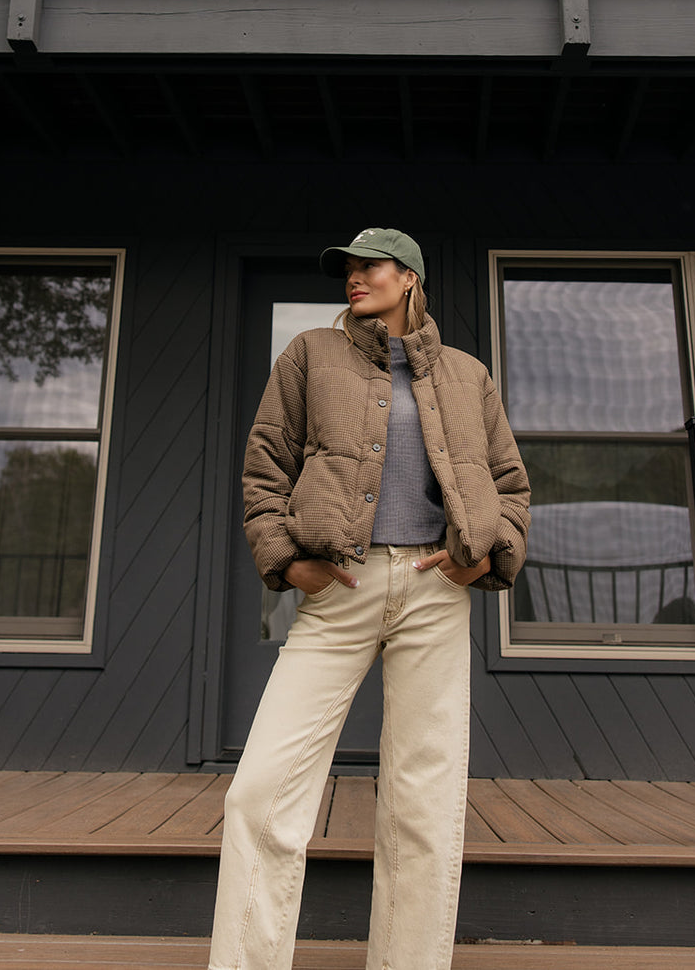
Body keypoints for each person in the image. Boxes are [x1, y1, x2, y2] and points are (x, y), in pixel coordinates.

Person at [208, 227, 531, 970]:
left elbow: (509, 484)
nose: (354, 278)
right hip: (339, 591)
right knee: (259, 792)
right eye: (348, 270)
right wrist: (287, 561)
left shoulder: (467, 375)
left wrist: (485, 555)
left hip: (435, 590)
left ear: (410, 277)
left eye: (370, 266)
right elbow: (265, 467)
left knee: (423, 803)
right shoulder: (310, 356)